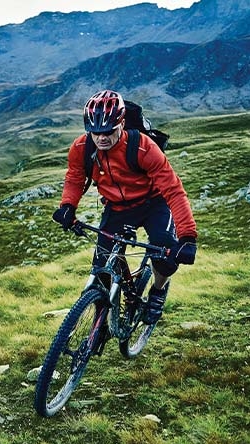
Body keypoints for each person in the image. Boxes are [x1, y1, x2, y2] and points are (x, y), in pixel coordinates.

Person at [52, 89, 197, 324]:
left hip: (153, 204)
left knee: (163, 255)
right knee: (101, 268)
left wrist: (188, 237)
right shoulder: (82, 147)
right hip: (117, 208)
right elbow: (75, 177)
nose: (101, 138)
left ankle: (158, 292)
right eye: (95, 132)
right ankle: (99, 323)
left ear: (121, 123)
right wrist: (68, 206)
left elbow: (173, 190)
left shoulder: (143, 147)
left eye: (108, 131)